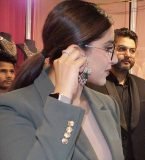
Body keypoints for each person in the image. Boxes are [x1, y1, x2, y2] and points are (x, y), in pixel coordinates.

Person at [0, 1, 124, 160]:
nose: (114, 59)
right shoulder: (13, 108)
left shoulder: (107, 104)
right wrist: (63, 100)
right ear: (75, 52)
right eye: (108, 49)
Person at [88, 28, 145, 160]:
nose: (128, 54)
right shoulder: (94, 85)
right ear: (111, 50)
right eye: (122, 49)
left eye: (132, 50)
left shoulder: (144, 86)